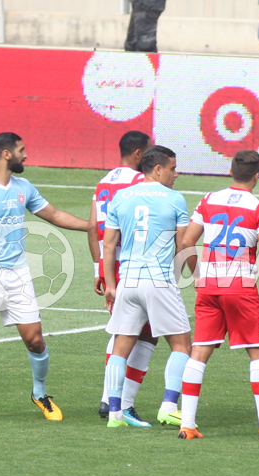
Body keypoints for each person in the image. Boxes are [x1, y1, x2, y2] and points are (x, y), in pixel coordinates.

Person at [0, 132, 89, 421]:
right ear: (6, 154)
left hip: (18, 274)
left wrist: (93, 228)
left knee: (35, 339)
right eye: (22, 150)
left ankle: (40, 394)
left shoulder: (23, 187)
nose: (27, 155)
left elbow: (55, 215)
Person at [178, 150, 259, 442]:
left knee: (199, 352)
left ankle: (187, 424)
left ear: (230, 170)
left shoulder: (208, 200)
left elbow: (186, 242)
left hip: (209, 285)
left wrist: (198, 276)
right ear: (257, 175)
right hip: (239, 287)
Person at [89, 131, 189, 426]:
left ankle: (116, 413)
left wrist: (109, 284)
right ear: (158, 169)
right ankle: (169, 405)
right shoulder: (175, 199)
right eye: (172, 168)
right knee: (183, 345)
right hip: (158, 280)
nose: (176, 174)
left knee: (120, 346)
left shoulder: (121, 196)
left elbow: (107, 245)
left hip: (127, 281)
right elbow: (182, 246)